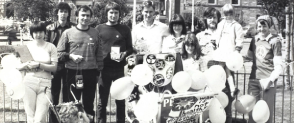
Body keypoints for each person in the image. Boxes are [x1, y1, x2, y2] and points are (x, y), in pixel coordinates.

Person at [57, 5, 103, 123]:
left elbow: (99, 55)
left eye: (88, 15)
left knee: (88, 104)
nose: (85, 18)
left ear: (91, 18)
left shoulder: (95, 33)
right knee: (71, 106)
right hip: (72, 73)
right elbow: (59, 54)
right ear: (77, 16)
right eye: (83, 15)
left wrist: (98, 72)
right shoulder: (68, 33)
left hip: (90, 73)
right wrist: (71, 56)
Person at [95, 2, 133, 123]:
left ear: (119, 14)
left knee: (120, 100)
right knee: (102, 101)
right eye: (111, 12)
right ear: (107, 14)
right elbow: (95, 48)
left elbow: (130, 48)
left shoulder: (125, 29)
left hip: (119, 69)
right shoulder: (99, 29)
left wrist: (124, 54)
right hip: (104, 69)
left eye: (116, 13)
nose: (113, 15)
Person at [207, 4, 243, 123]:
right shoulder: (221, 24)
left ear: (233, 13)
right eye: (226, 14)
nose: (228, 16)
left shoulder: (236, 26)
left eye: (230, 13)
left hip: (230, 52)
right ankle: (222, 88)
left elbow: (239, 40)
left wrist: (236, 51)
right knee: (220, 70)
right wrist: (214, 42)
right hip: (221, 50)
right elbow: (217, 35)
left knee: (227, 70)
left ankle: (232, 89)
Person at [17, 21, 58, 123]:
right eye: (35, 32)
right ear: (32, 33)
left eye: (40, 32)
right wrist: (26, 65)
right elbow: (18, 66)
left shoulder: (51, 47)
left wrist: (39, 65)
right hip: (29, 83)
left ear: (45, 32)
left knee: (40, 119)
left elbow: (54, 68)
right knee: (30, 117)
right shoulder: (26, 47)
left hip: (45, 84)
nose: (38, 35)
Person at [246, 15, 283, 123]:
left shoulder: (275, 41)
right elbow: (248, 57)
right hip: (253, 80)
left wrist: (270, 80)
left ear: (269, 26)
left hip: (268, 81)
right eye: (259, 26)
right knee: (252, 113)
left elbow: (279, 67)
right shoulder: (254, 40)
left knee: (266, 114)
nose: (261, 29)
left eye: (264, 26)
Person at [45, 2, 75, 123]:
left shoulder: (73, 28)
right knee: (54, 94)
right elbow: (46, 47)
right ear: (57, 13)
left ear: (69, 14)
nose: (63, 14)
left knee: (68, 95)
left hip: (69, 64)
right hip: (55, 65)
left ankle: (67, 119)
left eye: (66, 11)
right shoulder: (49, 28)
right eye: (61, 11)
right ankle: (53, 120)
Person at [196, 7, 221, 71]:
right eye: (210, 17)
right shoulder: (199, 36)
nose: (212, 20)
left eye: (215, 17)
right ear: (205, 19)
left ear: (218, 19)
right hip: (204, 72)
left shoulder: (222, 35)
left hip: (219, 72)